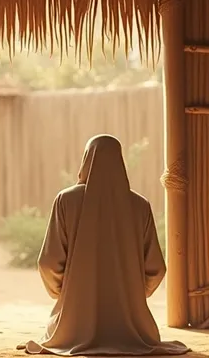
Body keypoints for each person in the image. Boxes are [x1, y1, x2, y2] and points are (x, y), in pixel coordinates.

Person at [20, 134, 189, 356]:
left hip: (72, 325)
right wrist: (131, 295)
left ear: (86, 160)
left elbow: (48, 262)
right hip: (132, 327)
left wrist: (64, 293)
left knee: (57, 328)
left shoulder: (66, 200)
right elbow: (156, 268)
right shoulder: (139, 205)